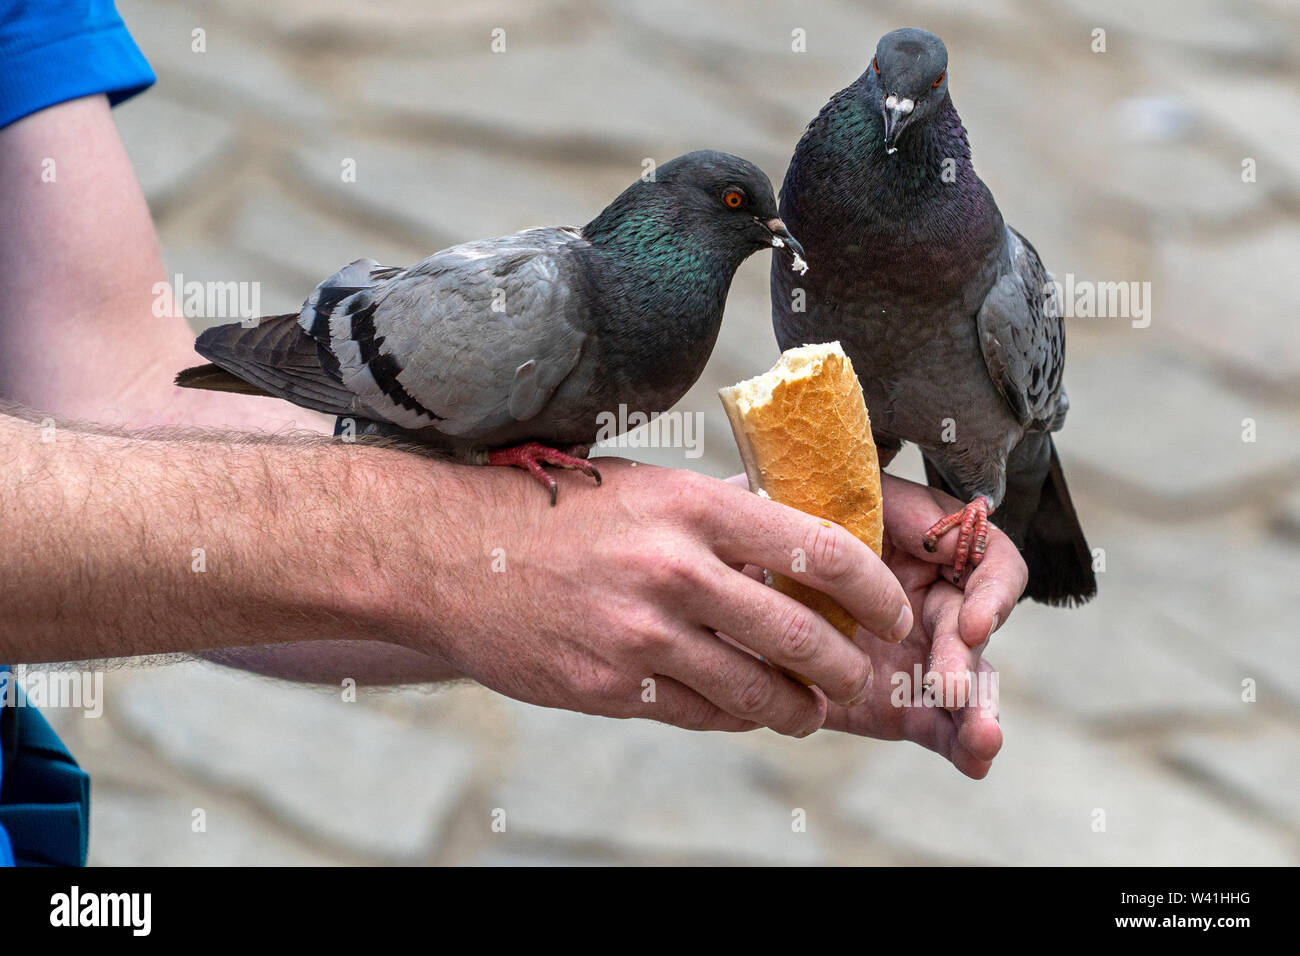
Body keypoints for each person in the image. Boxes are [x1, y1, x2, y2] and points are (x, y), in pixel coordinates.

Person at [0, 1, 1025, 865]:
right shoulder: (539, 306)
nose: (769, 230)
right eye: (736, 208)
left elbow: (111, 413)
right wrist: (454, 553)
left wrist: (717, 566)